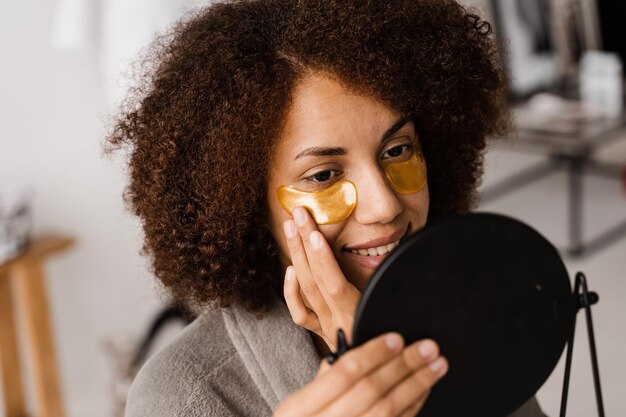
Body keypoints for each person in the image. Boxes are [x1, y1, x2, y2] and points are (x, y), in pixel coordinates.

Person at [108, 1, 546, 416]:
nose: (384, 205)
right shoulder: (180, 395)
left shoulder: (473, 308)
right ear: (245, 205)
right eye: (323, 176)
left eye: (397, 150)